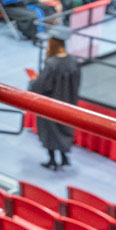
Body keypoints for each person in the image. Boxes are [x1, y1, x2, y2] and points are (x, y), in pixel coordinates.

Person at [30, 37, 80, 170]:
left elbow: (41, 86)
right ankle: (64, 158)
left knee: (50, 133)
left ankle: (52, 160)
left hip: (51, 105)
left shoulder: (52, 64)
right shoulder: (74, 61)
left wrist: (33, 81)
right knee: (64, 130)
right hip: (68, 102)